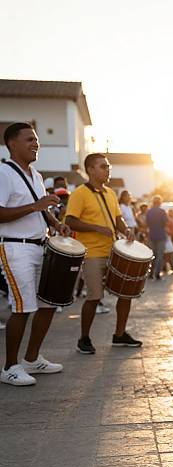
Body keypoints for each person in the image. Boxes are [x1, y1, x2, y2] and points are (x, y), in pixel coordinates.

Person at [0, 122, 70, 386]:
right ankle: (9, 367)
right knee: (22, 307)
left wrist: (56, 223)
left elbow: (42, 210)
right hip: (14, 247)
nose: (35, 144)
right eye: (29, 140)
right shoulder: (4, 173)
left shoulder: (37, 176)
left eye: (37, 140)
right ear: (12, 144)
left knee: (49, 303)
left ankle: (31, 359)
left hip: (41, 246)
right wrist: (35, 206)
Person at [65, 153, 142, 354]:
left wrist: (126, 230)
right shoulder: (79, 193)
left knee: (126, 293)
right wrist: (96, 228)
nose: (108, 170)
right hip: (91, 253)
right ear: (90, 170)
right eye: (103, 166)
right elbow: (70, 221)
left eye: (108, 166)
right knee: (94, 296)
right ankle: (84, 338)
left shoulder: (110, 193)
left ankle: (119, 334)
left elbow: (117, 219)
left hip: (113, 252)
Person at [145, 195, 168, 280]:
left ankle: (150, 273)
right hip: (161, 235)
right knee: (159, 256)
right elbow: (165, 222)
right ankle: (157, 273)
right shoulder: (162, 211)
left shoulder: (149, 211)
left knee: (152, 255)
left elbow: (147, 223)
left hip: (151, 235)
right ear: (160, 202)